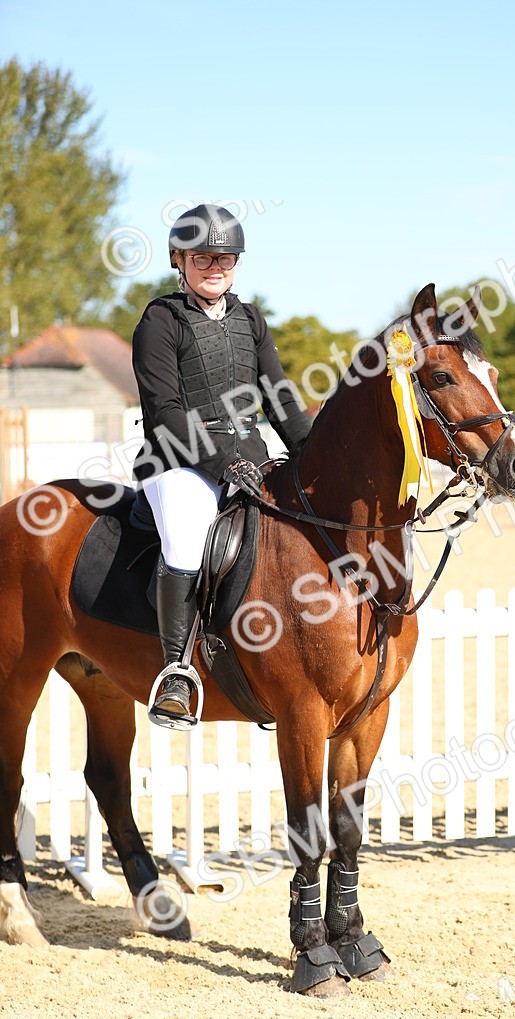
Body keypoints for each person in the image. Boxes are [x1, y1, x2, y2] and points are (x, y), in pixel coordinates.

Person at [131, 203, 313, 728]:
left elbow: (278, 397)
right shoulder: (160, 320)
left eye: (227, 257)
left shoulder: (250, 318)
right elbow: (163, 410)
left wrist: (307, 454)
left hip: (250, 457)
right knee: (188, 540)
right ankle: (176, 673)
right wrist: (222, 461)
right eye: (204, 256)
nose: (217, 266)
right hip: (180, 460)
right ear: (179, 260)